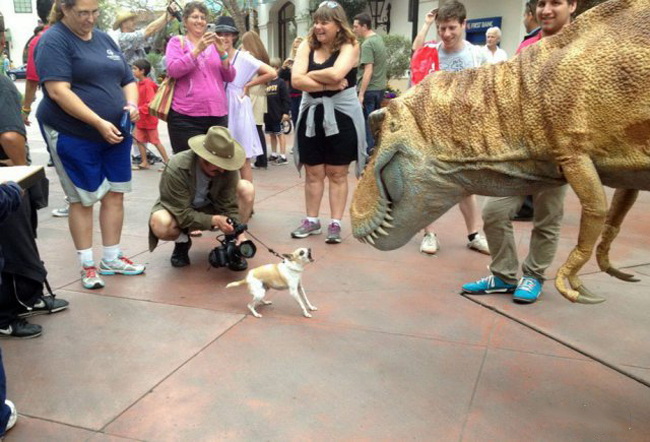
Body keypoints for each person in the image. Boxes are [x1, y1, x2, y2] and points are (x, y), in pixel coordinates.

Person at [461, 0, 577, 304]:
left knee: (547, 217)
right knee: (494, 212)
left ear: (573, 5)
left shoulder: (584, 45)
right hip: (520, 149)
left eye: (556, 3)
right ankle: (503, 274)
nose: (547, 10)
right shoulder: (527, 45)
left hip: (560, 152)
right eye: (542, 3)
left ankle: (534, 276)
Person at [35, 0, 146, 290]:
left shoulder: (104, 38)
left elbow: (127, 78)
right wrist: (97, 121)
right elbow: (58, 91)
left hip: (115, 130)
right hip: (73, 131)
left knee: (115, 194)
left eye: (95, 12)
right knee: (82, 199)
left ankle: (112, 257)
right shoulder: (53, 41)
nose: (90, 19)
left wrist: (131, 103)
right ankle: (87, 264)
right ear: (64, 9)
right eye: (83, 13)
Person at [0, 61, 69, 338]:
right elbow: (9, 135)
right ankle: (7, 314)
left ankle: (27, 298)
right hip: (7, 176)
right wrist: (22, 176)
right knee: (14, 248)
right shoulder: (3, 85)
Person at [416, 1, 490, 257]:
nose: (446, 34)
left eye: (451, 28)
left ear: (463, 24)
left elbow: (487, 93)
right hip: (433, 129)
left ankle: (473, 234)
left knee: (465, 187)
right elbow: (416, 61)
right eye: (441, 29)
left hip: (464, 131)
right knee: (429, 183)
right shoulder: (431, 53)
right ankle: (429, 234)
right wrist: (426, 25)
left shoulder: (477, 55)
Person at [291, 1, 366, 244]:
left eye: (324, 22)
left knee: (337, 172)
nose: (318, 27)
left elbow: (336, 73)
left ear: (338, 25)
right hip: (312, 115)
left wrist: (309, 76)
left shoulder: (351, 45)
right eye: (316, 21)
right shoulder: (306, 45)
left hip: (341, 116)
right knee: (313, 172)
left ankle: (335, 223)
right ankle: (312, 220)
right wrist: (327, 84)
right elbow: (295, 80)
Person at [149, 126, 255, 270]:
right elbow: (182, 213)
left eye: (225, 165)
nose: (223, 170)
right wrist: (215, 220)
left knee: (246, 188)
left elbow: (228, 205)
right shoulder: (177, 165)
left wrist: (238, 231)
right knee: (160, 222)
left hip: (211, 206)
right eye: (218, 165)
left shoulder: (227, 168)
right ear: (203, 157)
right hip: (179, 208)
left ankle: (232, 243)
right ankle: (182, 242)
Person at [165, 2, 233, 156]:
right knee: (188, 164)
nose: (200, 21)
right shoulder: (177, 42)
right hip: (185, 117)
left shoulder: (215, 45)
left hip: (217, 115)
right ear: (185, 20)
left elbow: (230, 76)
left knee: (218, 164)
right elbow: (174, 70)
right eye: (195, 17)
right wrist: (197, 50)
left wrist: (223, 53)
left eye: (203, 17)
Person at [22, 0, 70, 218]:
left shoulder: (41, 40)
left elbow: (32, 81)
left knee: (62, 157)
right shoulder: (87, 36)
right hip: (92, 108)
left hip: (58, 113)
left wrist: (24, 110)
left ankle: (74, 200)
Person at [216, 19, 275, 182]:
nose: (223, 38)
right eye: (219, 34)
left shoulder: (244, 57)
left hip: (238, 106)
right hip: (218, 105)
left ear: (234, 36)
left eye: (227, 34)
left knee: (243, 157)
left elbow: (271, 72)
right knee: (219, 157)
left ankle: (247, 202)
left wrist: (248, 84)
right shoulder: (212, 55)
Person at [352, 12, 387, 156]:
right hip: (379, 88)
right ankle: (377, 154)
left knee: (367, 125)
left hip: (369, 90)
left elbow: (368, 69)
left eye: (356, 27)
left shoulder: (367, 44)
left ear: (364, 26)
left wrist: (361, 94)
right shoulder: (378, 39)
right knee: (377, 125)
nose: (354, 30)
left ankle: (368, 156)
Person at [238, 31, 272, 170]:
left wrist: (248, 85)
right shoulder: (262, 56)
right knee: (257, 128)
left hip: (252, 94)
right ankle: (261, 158)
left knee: (252, 128)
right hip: (260, 95)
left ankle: (259, 158)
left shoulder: (249, 57)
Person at [131, 58, 169, 170]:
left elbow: (150, 103)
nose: (132, 71)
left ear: (142, 71)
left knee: (155, 141)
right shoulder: (138, 84)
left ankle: (167, 162)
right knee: (140, 140)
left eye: (135, 68)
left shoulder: (148, 84)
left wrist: (138, 109)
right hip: (141, 118)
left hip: (149, 119)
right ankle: (144, 162)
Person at [112, 5, 177, 66]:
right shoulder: (124, 38)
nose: (134, 22)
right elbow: (150, 30)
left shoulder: (134, 36)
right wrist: (167, 13)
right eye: (131, 20)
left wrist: (168, 18)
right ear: (124, 24)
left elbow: (154, 30)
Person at [264, 58, 291, 165]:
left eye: (273, 68)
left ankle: (283, 156)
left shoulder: (280, 83)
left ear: (278, 69)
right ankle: (274, 154)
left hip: (278, 114)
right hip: (268, 115)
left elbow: (286, 98)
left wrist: (285, 112)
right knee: (271, 135)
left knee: (280, 134)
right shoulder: (266, 83)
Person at [279, 37, 304, 131]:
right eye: (294, 48)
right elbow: (281, 77)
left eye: (298, 48)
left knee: (303, 120)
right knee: (295, 118)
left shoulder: (305, 61)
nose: (296, 50)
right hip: (293, 95)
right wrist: (283, 67)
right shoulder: (291, 62)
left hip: (303, 94)